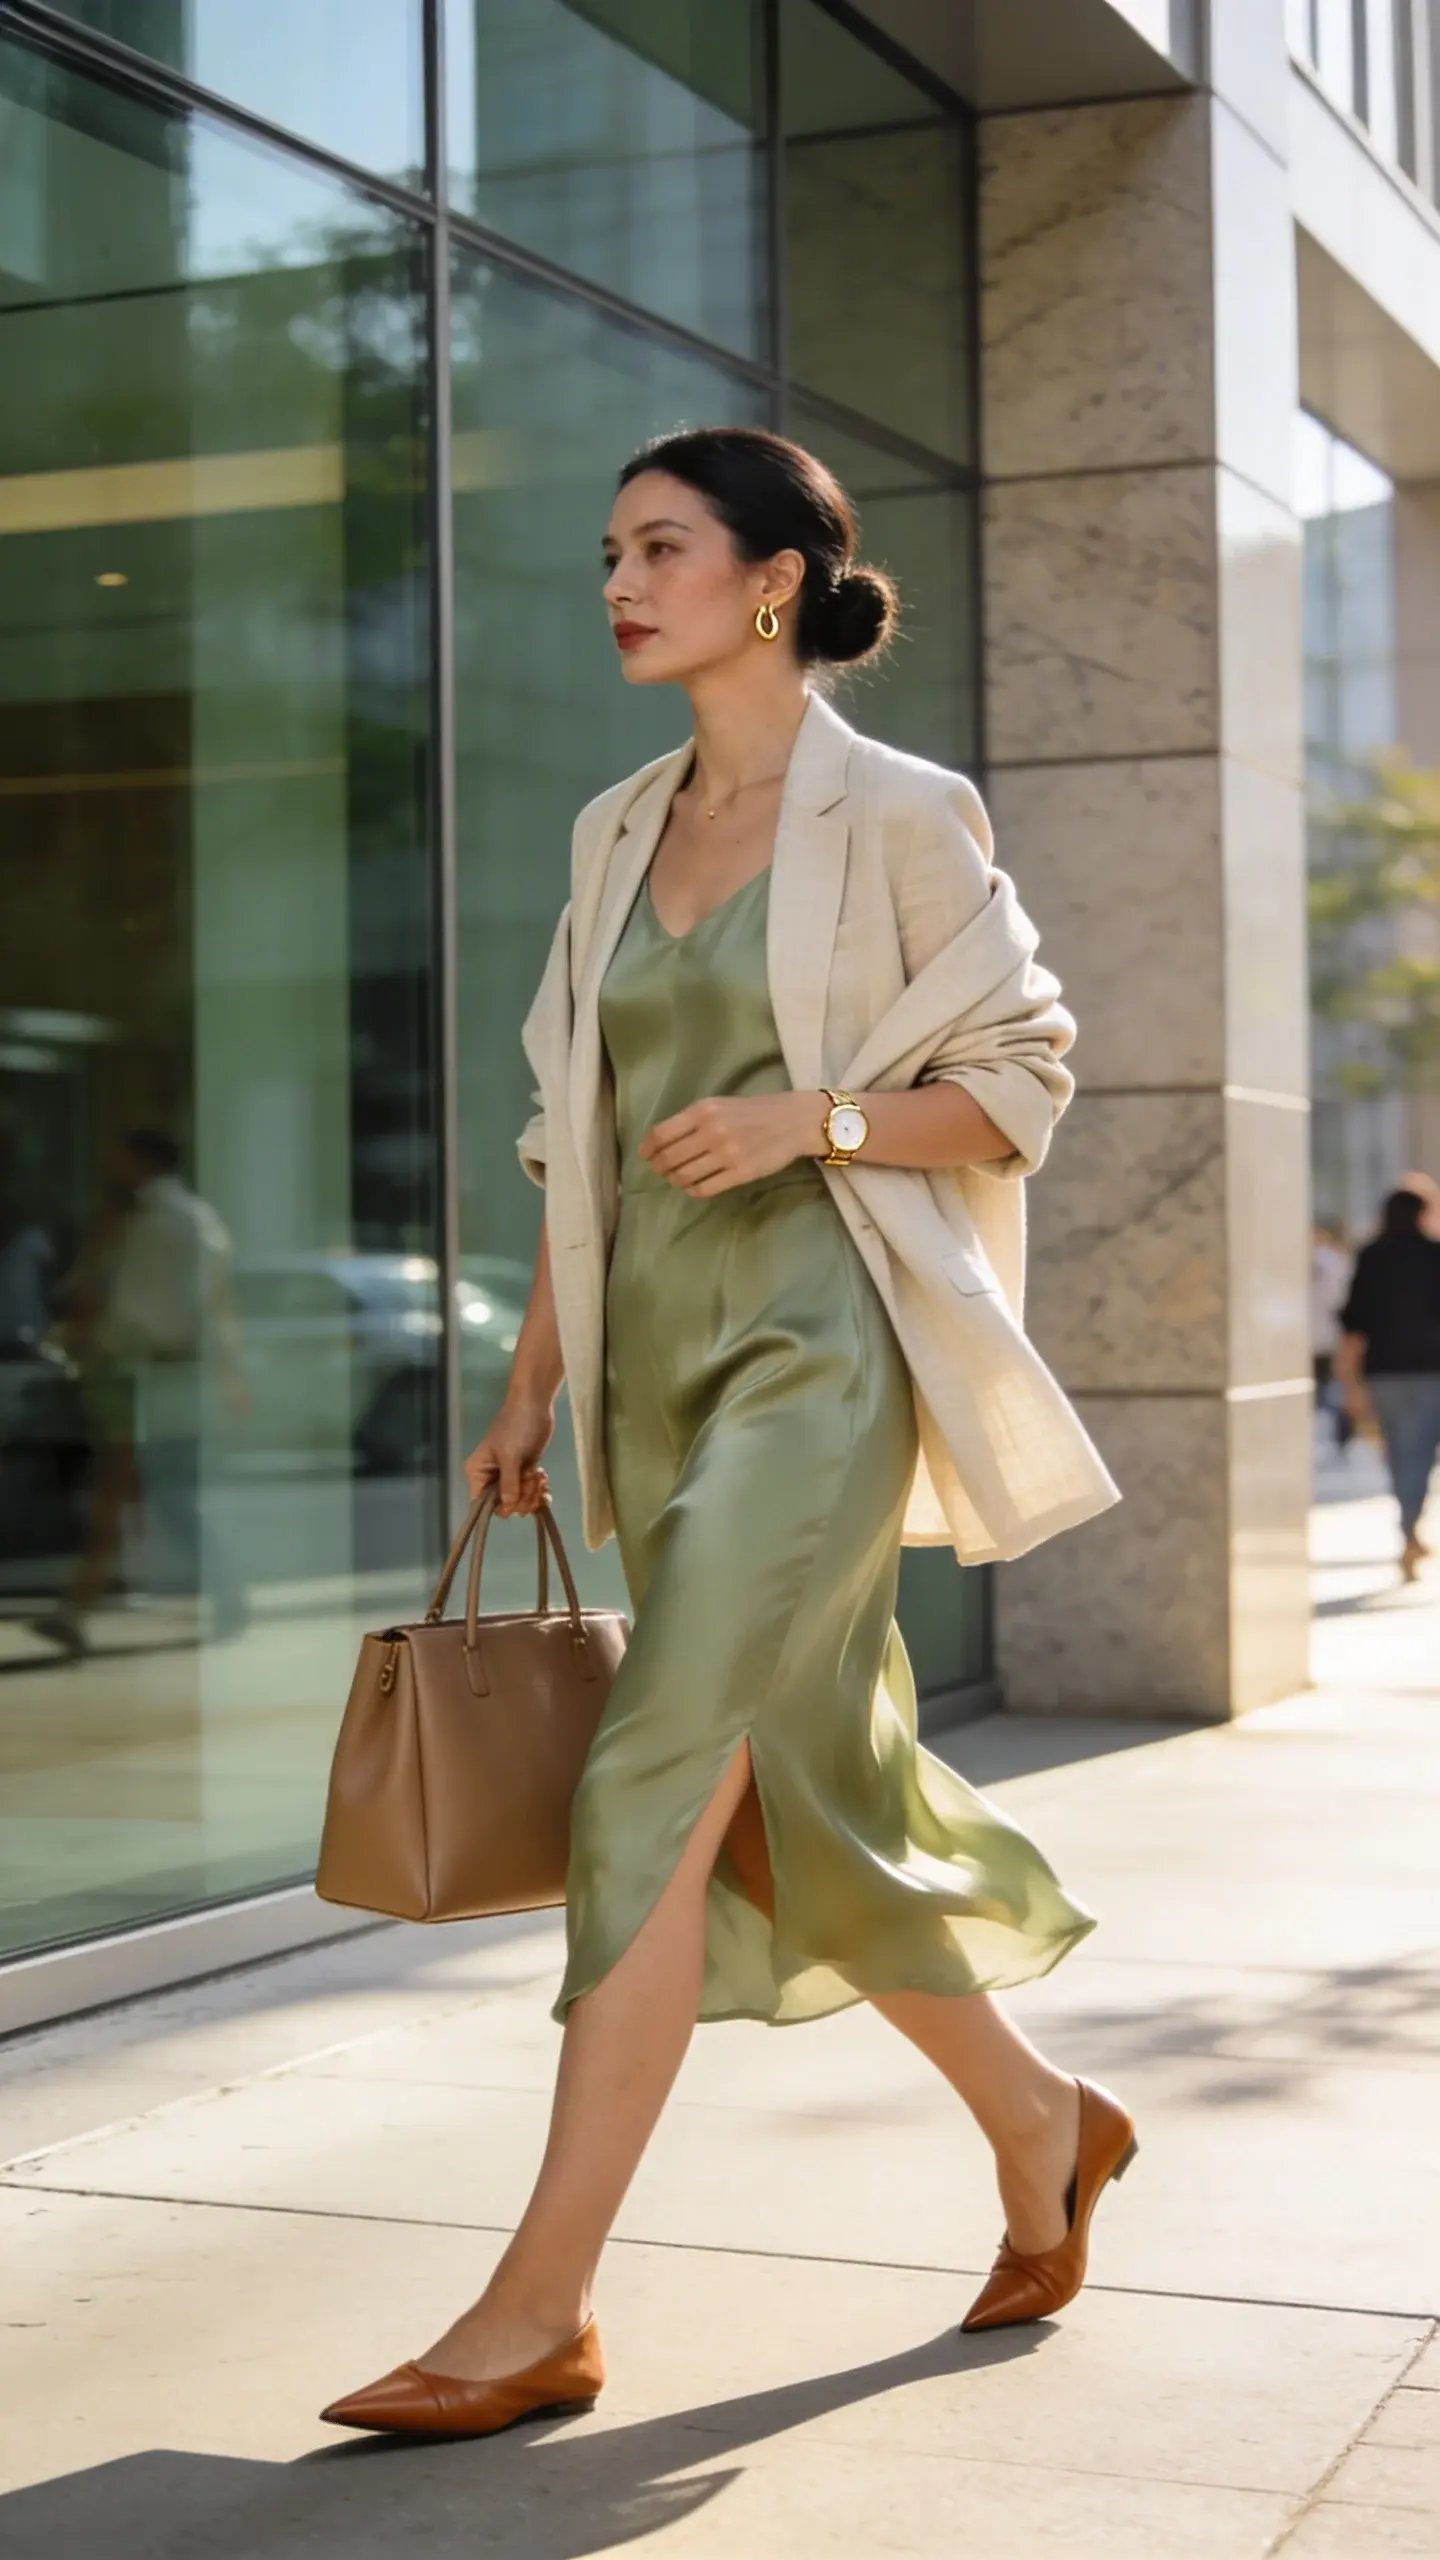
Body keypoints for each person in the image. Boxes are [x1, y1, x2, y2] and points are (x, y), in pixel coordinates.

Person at [322, 427, 1136, 2440]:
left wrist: (813, 1117)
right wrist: (528, 1380)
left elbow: (1023, 1074)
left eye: (662, 547)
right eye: (610, 551)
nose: (622, 580)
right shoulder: (615, 825)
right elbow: (570, 1136)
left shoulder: (902, 811)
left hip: (823, 1351)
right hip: (654, 1364)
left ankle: (538, 2307)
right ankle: (1047, 2123)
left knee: (647, 1775)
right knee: (797, 1793)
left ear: (775, 578)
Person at [29, 1131, 251, 1655]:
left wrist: (92, 1339)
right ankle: (77, 1607)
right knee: (133, 1491)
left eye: (118, 1160)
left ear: (141, 1163)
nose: (109, 1170)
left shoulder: (165, 1224)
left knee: (149, 1492)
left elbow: (147, 1314)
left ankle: (82, 1607)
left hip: (146, 1380)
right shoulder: (182, 1221)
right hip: (152, 1379)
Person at [1333, 1180, 1440, 1583]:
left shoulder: (1372, 1256)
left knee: (1399, 1451)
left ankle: (1408, 1526)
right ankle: (1410, 1525)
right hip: (1430, 1371)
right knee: (1421, 1452)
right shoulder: (1434, 1255)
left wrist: (1349, 1383)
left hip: (1384, 1372)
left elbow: (1352, 1324)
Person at [1311, 1221, 1355, 1453]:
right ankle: (1341, 1433)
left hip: (1321, 1337)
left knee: (1327, 1389)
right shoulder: (1335, 1262)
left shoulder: (1330, 1262)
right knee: (1329, 1389)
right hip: (1326, 1336)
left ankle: (1340, 1431)